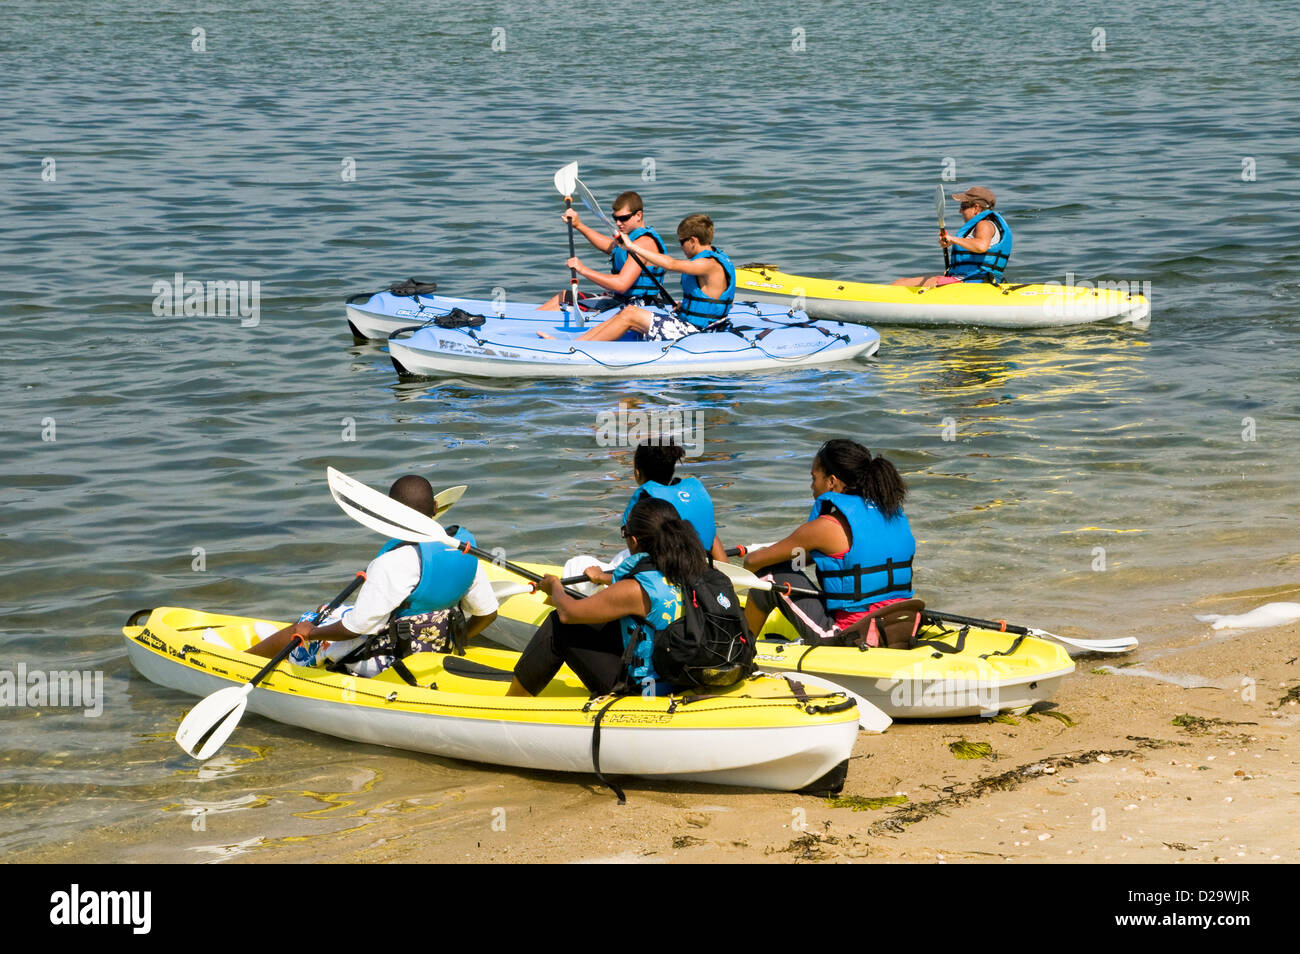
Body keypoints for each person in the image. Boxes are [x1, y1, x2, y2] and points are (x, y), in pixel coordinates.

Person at [250, 475, 499, 680]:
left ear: (390, 514)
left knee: (302, 626)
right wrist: (453, 641)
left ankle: (241, 662)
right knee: (325, 610)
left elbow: (354, 629)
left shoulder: (391, 563)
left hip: (388, 660)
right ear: (436, 508)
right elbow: (488, 614)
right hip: (435, 648)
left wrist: (311, 633)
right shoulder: (461, 552)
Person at [506, 497, 705, 697]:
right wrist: (602, 577)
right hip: (681, 677)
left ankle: (513, 702)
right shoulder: (691, 570)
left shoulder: (634, 589)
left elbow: (568, 613)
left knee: (559, 625)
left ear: (634, 541)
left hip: (647, 690)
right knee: (612, 621)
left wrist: (554, 586)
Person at [741, 440, 915, 645]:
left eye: (814, 478)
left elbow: (752, 563)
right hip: (901, 625)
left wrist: (763, 552)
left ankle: (739, 651)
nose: (812, 486)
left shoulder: (825, 527)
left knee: (769, 574)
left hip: (852, 636)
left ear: (831, 481)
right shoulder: (892, 513)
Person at [559, 213, 736, 342]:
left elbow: (672, 264)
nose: (681, 247)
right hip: (696, 324)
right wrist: (686, 306)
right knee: (627, 312)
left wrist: (633, 247)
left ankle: (576, 349)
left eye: (682, 242)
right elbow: (714, 298)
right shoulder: (715, 257)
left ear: (693, 241)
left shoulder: (708, 264)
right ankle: (579, 343)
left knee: (630, 314)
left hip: (698, 331)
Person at [539, 191, 667, 311]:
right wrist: (578, 225)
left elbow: (621, 285)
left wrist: (582, 269)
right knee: (563, 297)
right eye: (615, 218)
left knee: (563, 302)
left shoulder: (643, 243)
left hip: (637, 305)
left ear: (638, 215)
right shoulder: (633, 237)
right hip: (621, 299)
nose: (618, 223)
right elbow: (610, 246)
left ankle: (527, 328)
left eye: (624, 218)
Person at [623, 440, 728, 561]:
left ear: (637, 473)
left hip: (671, 569)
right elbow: (710, 534)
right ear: (672, 471)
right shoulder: (692, 491)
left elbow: (636, 551)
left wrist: (602, 576)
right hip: (701, 562)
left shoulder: (643, 501)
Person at [892, 186, 1012, 288]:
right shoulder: (981, 225)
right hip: (970, 279)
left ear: (976, 208)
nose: (960, 211)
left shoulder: (984, 224)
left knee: (923, 283)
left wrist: (953, 239)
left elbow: (981, 246)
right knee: (900, 282)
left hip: (976, 281)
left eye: (964, 206)